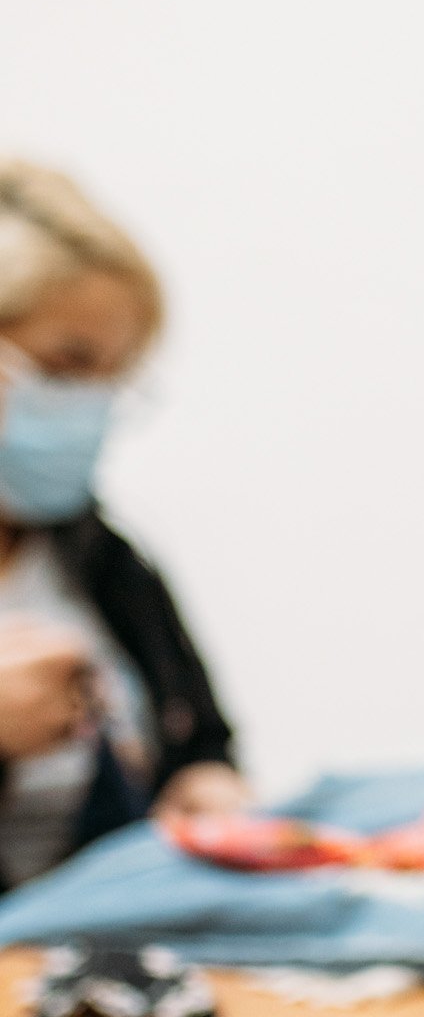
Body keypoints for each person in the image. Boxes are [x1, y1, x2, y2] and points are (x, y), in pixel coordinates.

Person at [0, 165, 247, 886]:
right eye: (67, 365)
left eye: (114, 377)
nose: (89, 406)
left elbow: (202, 741)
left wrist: (205, 785)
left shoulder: (104, 559)